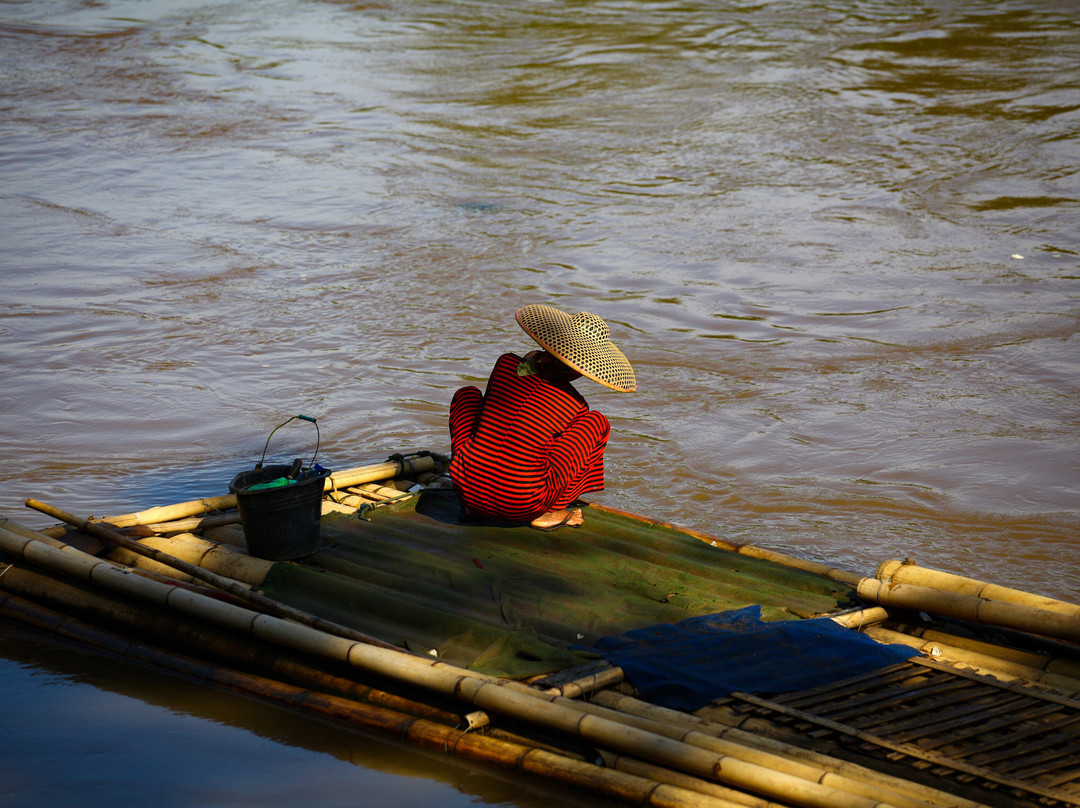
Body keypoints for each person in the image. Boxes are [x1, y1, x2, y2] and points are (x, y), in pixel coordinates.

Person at [448, 304, 636, 531]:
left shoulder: (505, 365)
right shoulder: (575, 404)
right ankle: (550, 510)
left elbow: (490, 413)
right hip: (522, 504)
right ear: (580, 371)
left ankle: (474, 504)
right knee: (597, 423)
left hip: (466, 487)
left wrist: (533, 359)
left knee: (467, 394)